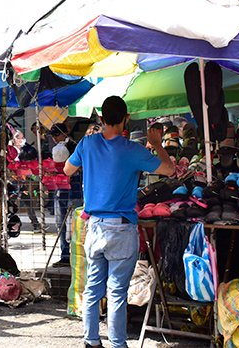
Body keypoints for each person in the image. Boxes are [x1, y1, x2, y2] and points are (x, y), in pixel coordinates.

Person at [63, 95, 174, 348]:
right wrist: (156, 144)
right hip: (121, 229)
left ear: (101, 119)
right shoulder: (133, 150)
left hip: (94, 227)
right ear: (126, 120)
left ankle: (91, 341)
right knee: (116, 292)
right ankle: (117, 344)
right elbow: (170, 170)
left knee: (93, 289)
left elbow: (67, 170)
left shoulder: (88, 144)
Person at [49, 123, 77, 265]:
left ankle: (71, 255)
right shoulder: (64, 147)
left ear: (65, 133)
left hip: (70, 188)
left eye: (56, 134)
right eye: (53, 135)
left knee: (70, 223)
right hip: (62, 187)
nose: (54, 138)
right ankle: (65, 255)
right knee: (62, 223)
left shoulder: (72, 146)